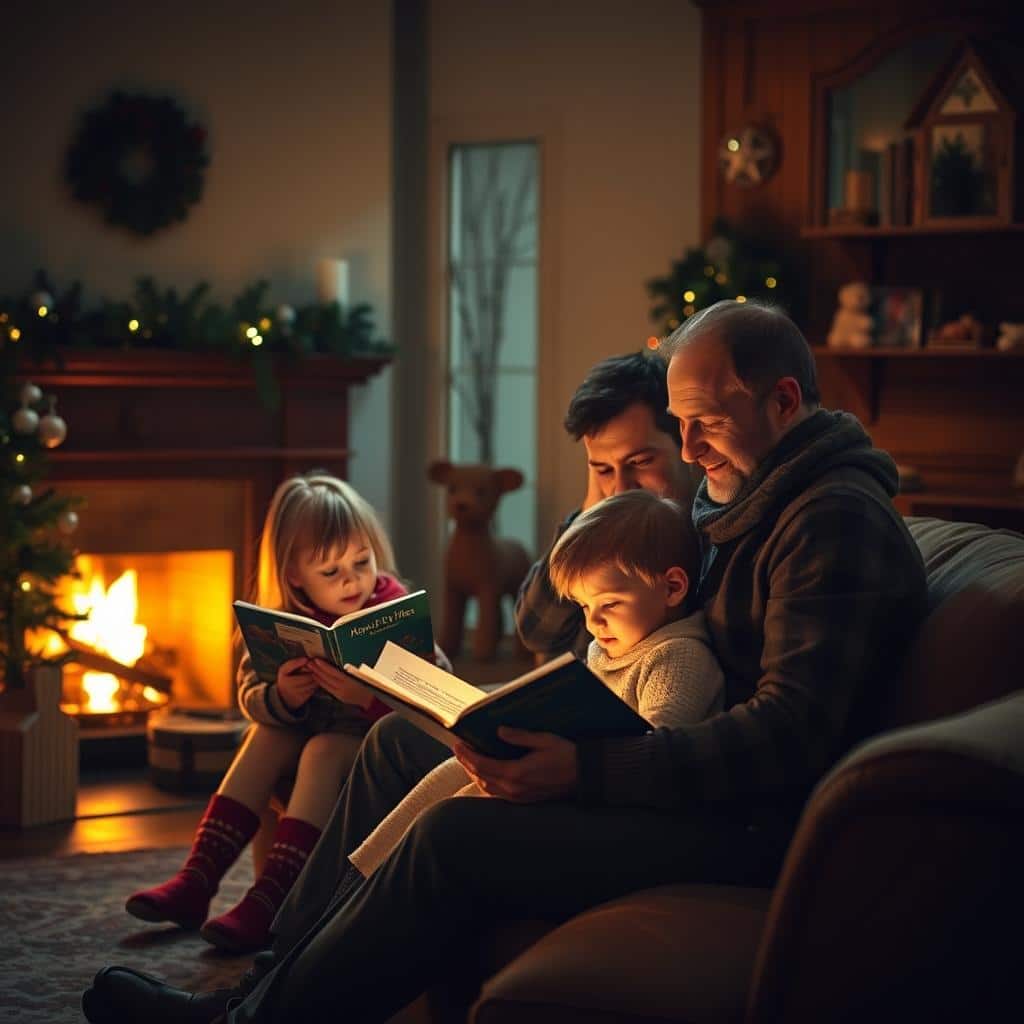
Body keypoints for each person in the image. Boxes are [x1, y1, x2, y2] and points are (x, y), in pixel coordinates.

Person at [84, 302, 928, 1024]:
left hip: (735, 824)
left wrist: (585, 768)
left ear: (785, 400)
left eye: (704, 421)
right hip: (664, 768)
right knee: (397, 744)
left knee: (454, 832)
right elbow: (550, 623)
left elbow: (790, 734)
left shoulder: (831, 520)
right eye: (681, 425)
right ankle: (260, 989)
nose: (691, 445)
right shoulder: (740, 495)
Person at [345, 488, 724, 881]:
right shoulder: (609, 646)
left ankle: (367, 885)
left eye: (610, 604)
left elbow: (652, 756)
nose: (593, 622)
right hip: (578, 786)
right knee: (449, 771)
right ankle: (360, 877)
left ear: (672, 588)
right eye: (584, 606)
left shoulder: (678, 656)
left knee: (452, 813)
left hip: (616, 813)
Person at [124, 472, 409, 954]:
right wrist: (283, 695)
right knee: (263, 734)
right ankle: (197, 878)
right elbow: (250, 694)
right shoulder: (284, 623)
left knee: (322, 750)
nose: (352, 580)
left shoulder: (392, 609)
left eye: (362, 562)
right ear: (294, 575)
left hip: (364, 744)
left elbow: (434, 689)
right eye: (330, 572)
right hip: (299, 734)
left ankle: (272, 899)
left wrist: (368, 698)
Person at [516, 350, 701, 659]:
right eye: (602, 469)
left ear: (684, 443)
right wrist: (591, 511)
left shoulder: (711, 538)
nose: (621, 488)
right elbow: (537, 632)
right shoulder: (605, 534)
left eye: (640, 462)